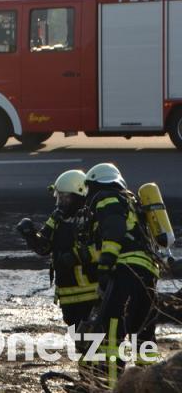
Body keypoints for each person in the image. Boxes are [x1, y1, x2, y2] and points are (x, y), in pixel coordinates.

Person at [80, 162, 160, 389]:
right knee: (144, 330)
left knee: (113, 326)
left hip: (126, 269)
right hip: (148, 272)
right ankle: (150, 383)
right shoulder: (132, 203)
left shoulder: (108, 198)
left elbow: (113, 231)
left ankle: (110, 383)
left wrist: (105, 266)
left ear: (96, 184)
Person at [16, 170, 98, 330]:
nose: (59, 203)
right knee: (80, 342)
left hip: (91, 293)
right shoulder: (57, 217)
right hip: (67, 294)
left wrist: (74, 257)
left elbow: (103, 250)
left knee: (93, 340)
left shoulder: (91, 219)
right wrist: (30, 235)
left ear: (79, 196)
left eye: (64, 198)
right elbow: (44, 247)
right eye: (58, 197)